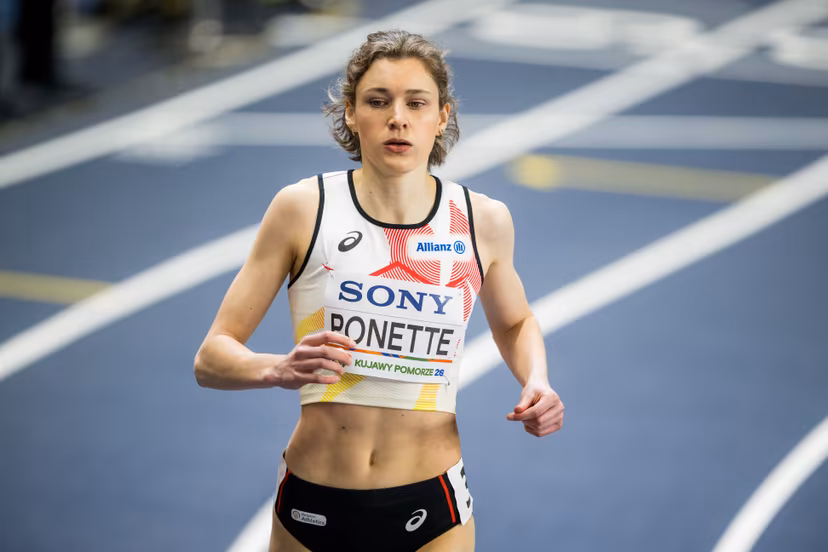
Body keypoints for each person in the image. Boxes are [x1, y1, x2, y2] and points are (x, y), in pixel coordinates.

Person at [194, 29, 564, 552]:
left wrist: (537, 379)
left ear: (442, 117)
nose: (398, 118)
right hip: (314, 502)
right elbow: (211, 359)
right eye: (378, 101)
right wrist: (276, 369)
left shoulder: (481, 221)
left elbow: (515, 321)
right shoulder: (304, 209)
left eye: (417, 103)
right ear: (349, 113)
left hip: (431, 506)